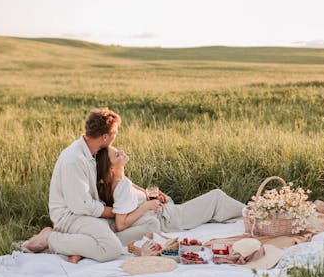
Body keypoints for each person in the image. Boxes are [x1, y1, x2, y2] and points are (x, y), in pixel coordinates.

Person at [25, 107, 134, 262]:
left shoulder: (92, 151)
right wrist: (114, 212)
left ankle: (79, 248)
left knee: (128, 226)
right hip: (70, 216)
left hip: (85, 213)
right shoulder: (75, 159)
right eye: (115, 133)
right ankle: (50, 238)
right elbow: (81, 205)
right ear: (104, 137)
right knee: (111, 249)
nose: (116, 136)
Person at [96, 146, 245, 234]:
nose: (121, 152)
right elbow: (121, 224)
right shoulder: (122, 188)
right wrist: (145, 206)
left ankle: (251, 212)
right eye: (117, 155)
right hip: (167, 220)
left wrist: (147, 194)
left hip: (163, 212)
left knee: (211, 205)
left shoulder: (118, 181)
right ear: (111, 169)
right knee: (216, 197)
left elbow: (132, 186)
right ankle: (253, 213)